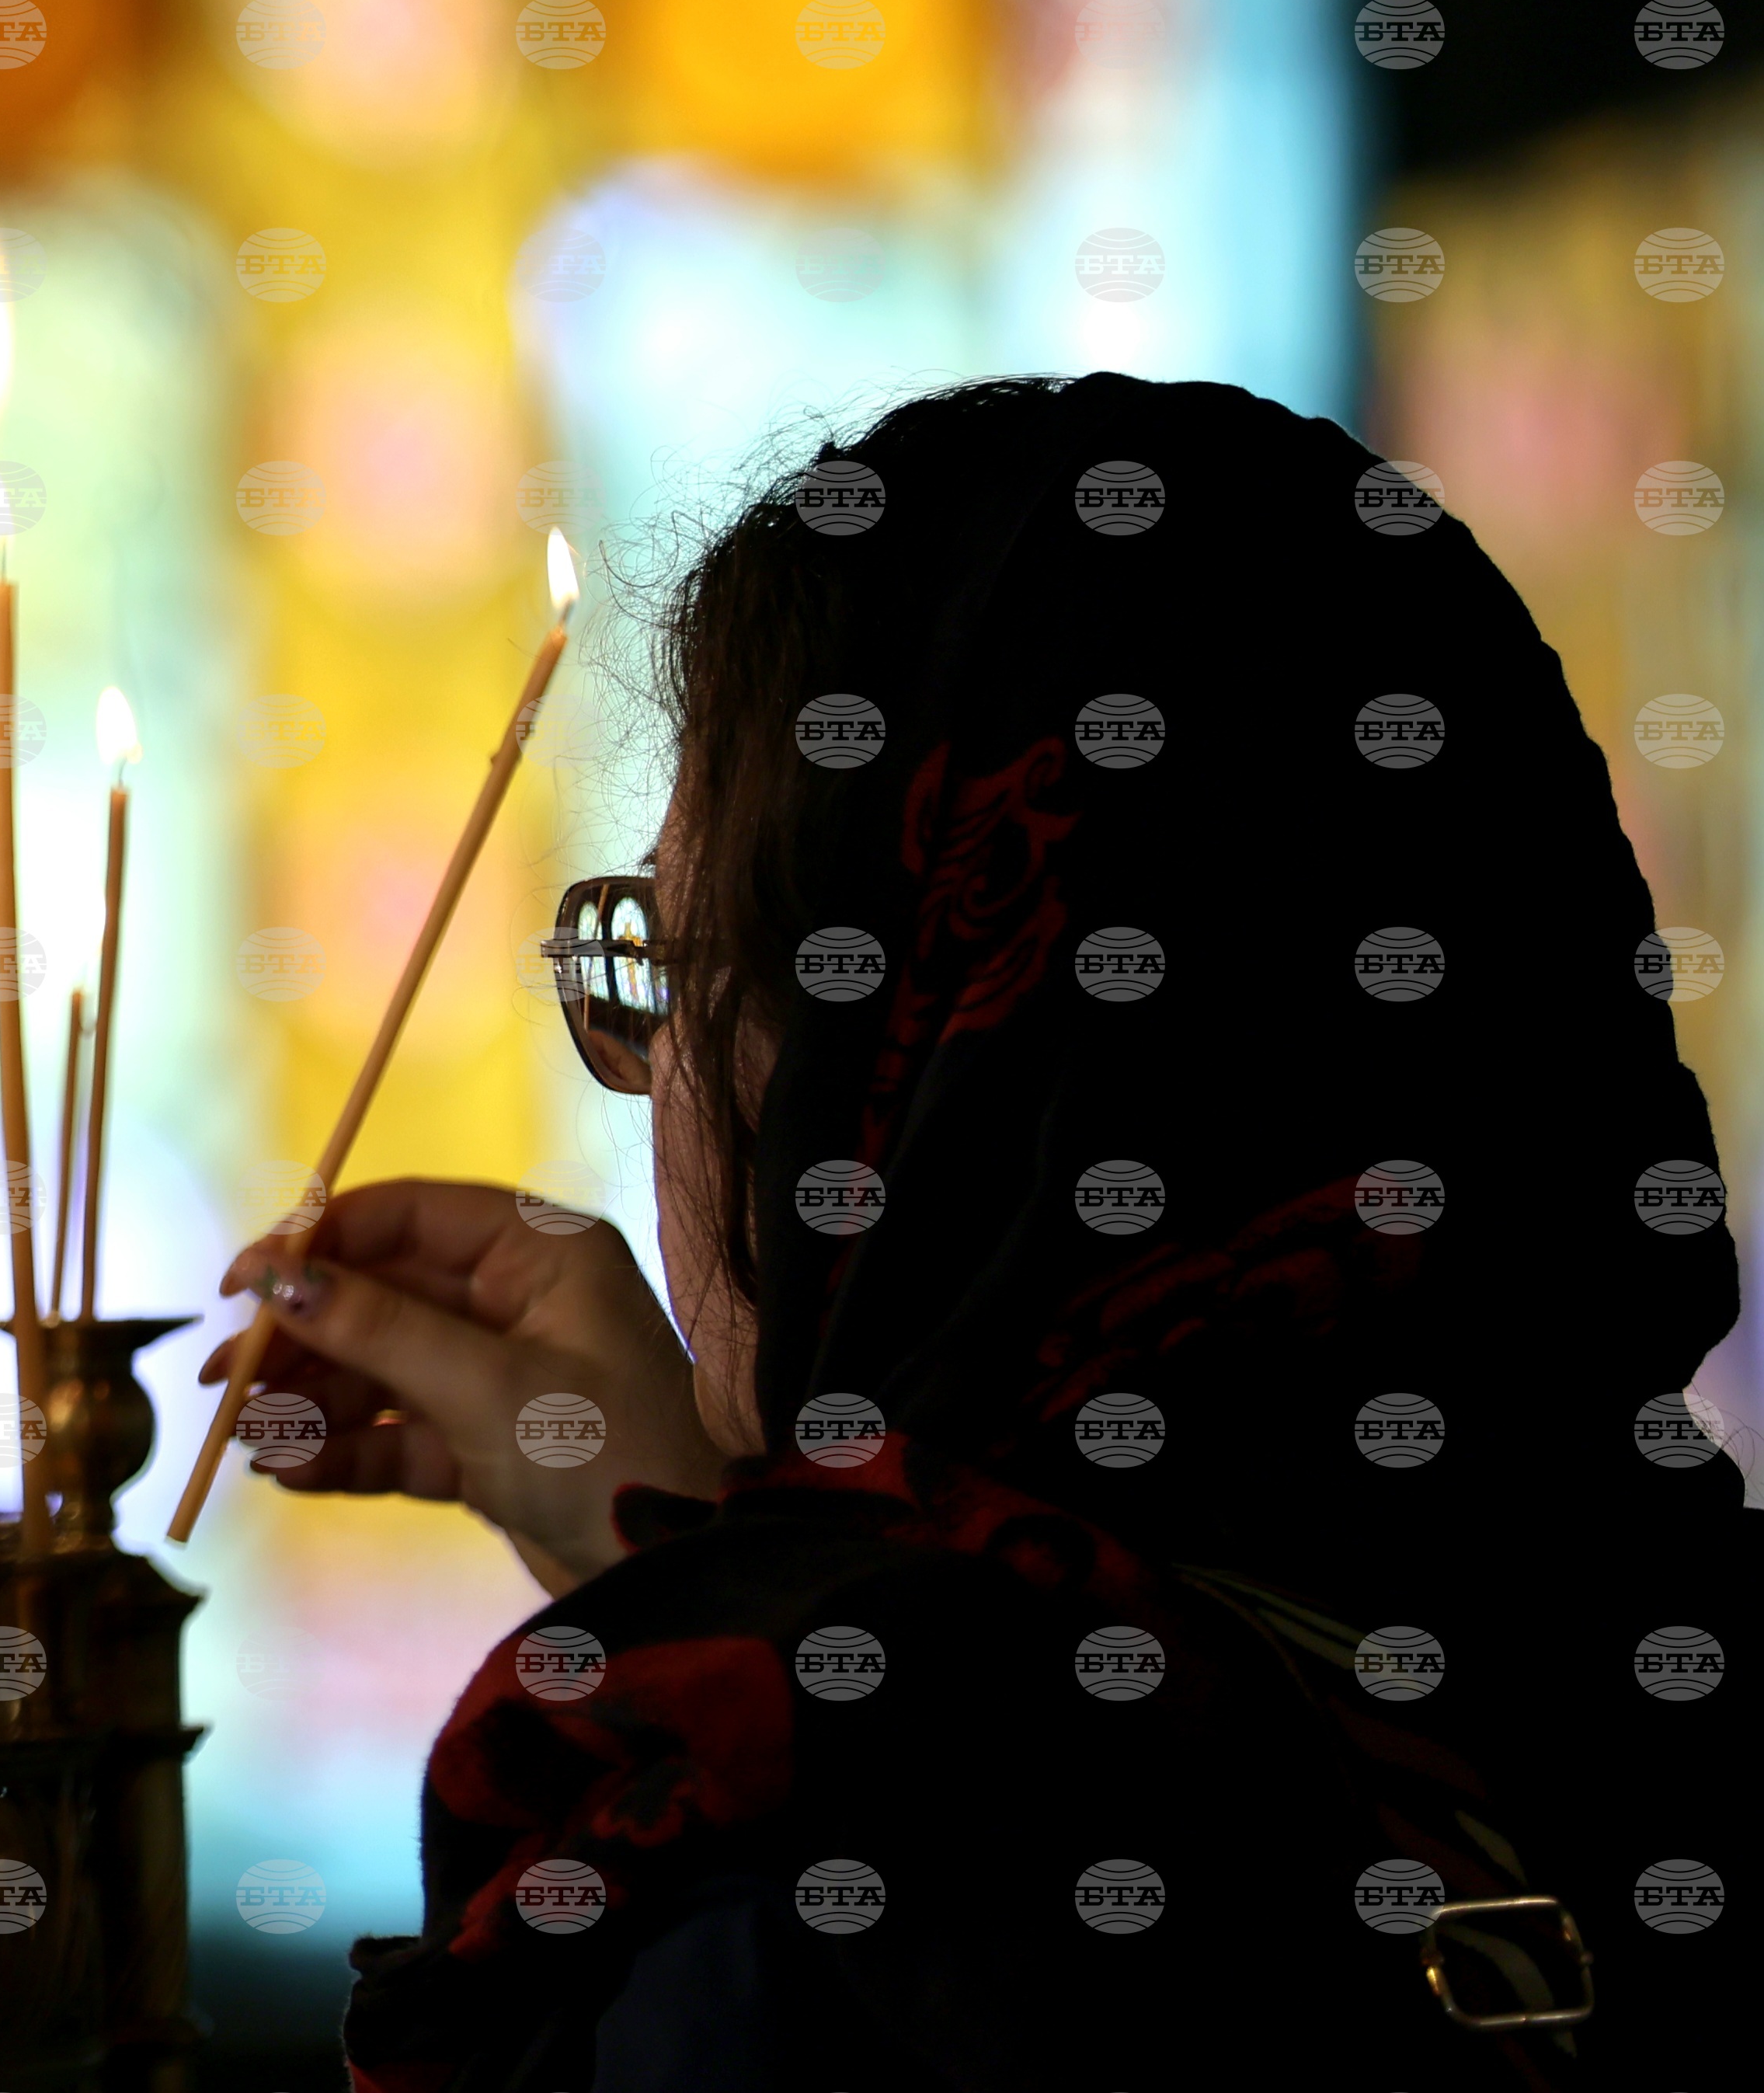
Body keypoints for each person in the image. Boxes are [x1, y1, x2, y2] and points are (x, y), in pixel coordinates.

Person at [204, 375, 1750, 2091]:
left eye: (667, 961)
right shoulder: (1654, 1640)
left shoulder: (822, 1919)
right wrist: (726, 1560)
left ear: (913, 1058)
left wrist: (754, 1635)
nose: (655, 1083)